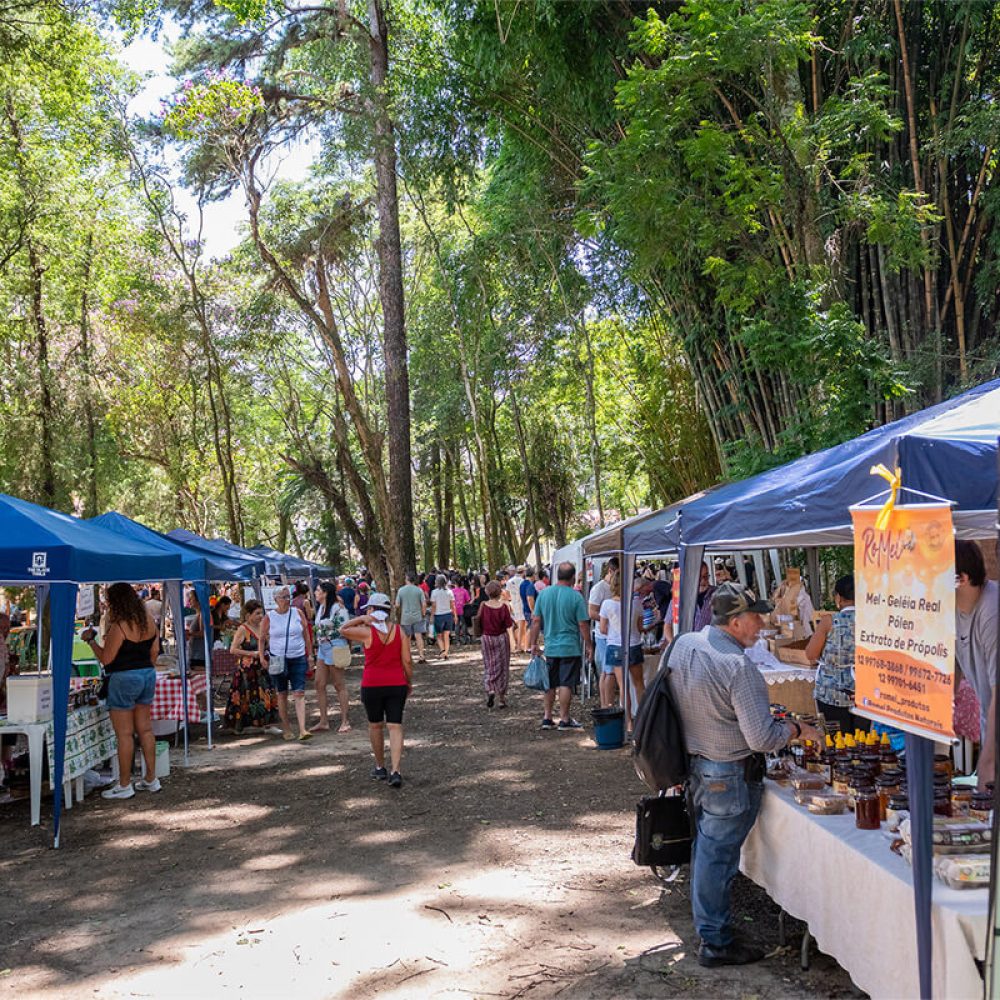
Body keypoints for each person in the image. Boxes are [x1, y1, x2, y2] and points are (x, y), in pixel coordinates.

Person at [668, 583, 822, 966]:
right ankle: (715, 941)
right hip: (728, 773)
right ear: (735, 622)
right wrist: (798, 729)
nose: (762, 624)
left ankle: (709, 926)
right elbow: (762, 738)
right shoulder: (738, 667)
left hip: (697, 765)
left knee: (707, 849)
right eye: (756, 616)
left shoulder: (685, 644)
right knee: (717, 857)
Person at [82, 583, 163, 800]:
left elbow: (106, 659)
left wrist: (90, 641)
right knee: (145, 730)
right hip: (147, 675)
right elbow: (155, 651)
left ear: (116, 602)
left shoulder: (119, 627)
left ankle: (125, 784)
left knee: (124, 734)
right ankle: (151, 778)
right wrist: (144, 668)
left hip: (123, 678)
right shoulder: (148, 621)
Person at [341, 592, 413, 788]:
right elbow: (407, 661)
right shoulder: (399, 631)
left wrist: (360, 619)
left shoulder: (366, 632)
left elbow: (343, 629)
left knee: (375, 725)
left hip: (372, 684)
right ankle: (396, 770)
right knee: (395, 726)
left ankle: (380, 766)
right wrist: (409, 681)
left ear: (372, 610)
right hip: (396, 683)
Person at [954, 541, 999, 788]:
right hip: (989, 728)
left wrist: (987, 762)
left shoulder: (992, 611)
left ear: (961, 578)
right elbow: (950, 669)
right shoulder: (951, 609)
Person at [528, 561, 592, 730]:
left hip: (550, 646)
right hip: (570, 646)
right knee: (566, 683)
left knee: (549, 682)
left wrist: (533, 643)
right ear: (573, 577)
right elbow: (583, 624)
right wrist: (589, 645)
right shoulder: (576, 597)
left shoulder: (544, 594)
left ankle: (547, 717)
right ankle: (564, 718)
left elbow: (536, 621)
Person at [260, 586, 314, 742]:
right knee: (282, 693)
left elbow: (306, 635)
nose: (287, 599)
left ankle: (302, 729)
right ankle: (287, 728)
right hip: (277, 659)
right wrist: (262, 657)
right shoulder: (269, 616)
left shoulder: (297, 613)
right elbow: (262, 638)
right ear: (276, 599)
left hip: (298, 657)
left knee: (299, 692)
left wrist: (310, 655)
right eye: (283, 597)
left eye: (288, 596)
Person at [806, 575, 857, 733]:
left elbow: (811, 654)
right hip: (863, 692)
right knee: (864, 740)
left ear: (838, 598)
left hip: (831, 691)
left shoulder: (829, 621)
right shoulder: (873, 621)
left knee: (835, 739)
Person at [224, 600, 278, 733]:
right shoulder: (243, 629)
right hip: (247, 670)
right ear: (248, 615)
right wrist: (252, 654)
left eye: (261, 613)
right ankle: (246, 725)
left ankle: (267, 724)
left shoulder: (263, 627)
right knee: (247, 695)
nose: (260, 616)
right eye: (257, 613)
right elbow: (233, 649)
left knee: (265, 693)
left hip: (262, 667)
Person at [311, 581, 352, 733]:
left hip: (335, 646)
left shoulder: (338, 608)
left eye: (318, 590)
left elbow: (345, 628)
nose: (315, 593)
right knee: (319, 683)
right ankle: (323, 720)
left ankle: (345, 720)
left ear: (325, 593)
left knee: (338, 684)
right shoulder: (321, 608)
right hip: (323, 647)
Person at [476, 581, 513, 708]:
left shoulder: (483, 605)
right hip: (501, 637)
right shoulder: (503, 607)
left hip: (487, 637)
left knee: (489, 664)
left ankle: (490, 688)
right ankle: (502, 698)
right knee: (503, 666)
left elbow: (479, 620)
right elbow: (508, 624)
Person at [589, 557, 620, 708]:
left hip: (612, 635)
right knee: (609, 672)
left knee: (607, 672)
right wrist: (609, 621)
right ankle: (608, 705)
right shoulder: (599, 588)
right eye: (618, 573)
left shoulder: (616, 587)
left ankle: (605, 706)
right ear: (610, 571)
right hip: (604, 635)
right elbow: (591, 612)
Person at [396, 572, 429, 663]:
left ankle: (408, 657)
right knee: (419, 636)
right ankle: (421, 656)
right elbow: (424, 604)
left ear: (407, 579)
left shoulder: (401, 590)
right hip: (417, 616)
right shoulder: (419, 590)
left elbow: (397, 604)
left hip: (405, 617)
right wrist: (423, 613)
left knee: (407, 637)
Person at [430, 574, 456, 659]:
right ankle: (446, 653)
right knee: (446, 635)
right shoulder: (449, 592)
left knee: (438, 635)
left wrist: (431, 616)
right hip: (448, 615)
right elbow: (452, 605)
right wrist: (455, 615)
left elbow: (434, 606)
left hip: (438, 616)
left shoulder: (434, 592)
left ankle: (442, 651)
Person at [507, 566, 526, 653]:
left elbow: (508, 594)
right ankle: (520, 645)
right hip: (521, 604)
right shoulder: (522, 581)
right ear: (523, 572)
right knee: (522, 626)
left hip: (514, 604)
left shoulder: (509, 581)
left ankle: (520, 644)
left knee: (519, 625)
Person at [452, 576, 471, 642]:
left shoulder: (452, 591)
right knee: (463, 624)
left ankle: (457, 639)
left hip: (455, 609)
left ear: (455, 583)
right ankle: (465, 638)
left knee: (456, 624)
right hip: (463, 609)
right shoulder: (464, 591)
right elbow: (468, 600)